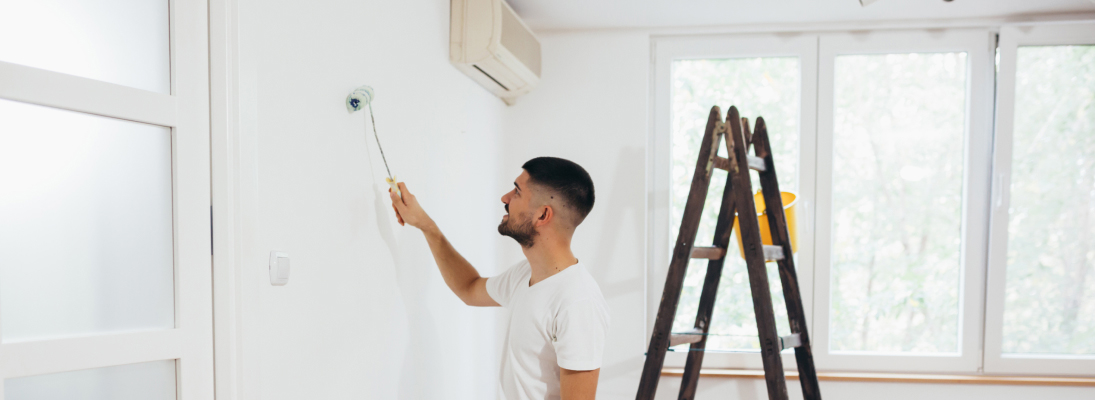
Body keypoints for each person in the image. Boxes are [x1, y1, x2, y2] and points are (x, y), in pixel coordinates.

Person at [389, 157, 610, 400]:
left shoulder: (578, 303)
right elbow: (469, 288)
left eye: (516, 192)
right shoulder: (525, 274)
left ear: (543, 215)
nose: (505, 198)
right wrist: (426, 225)